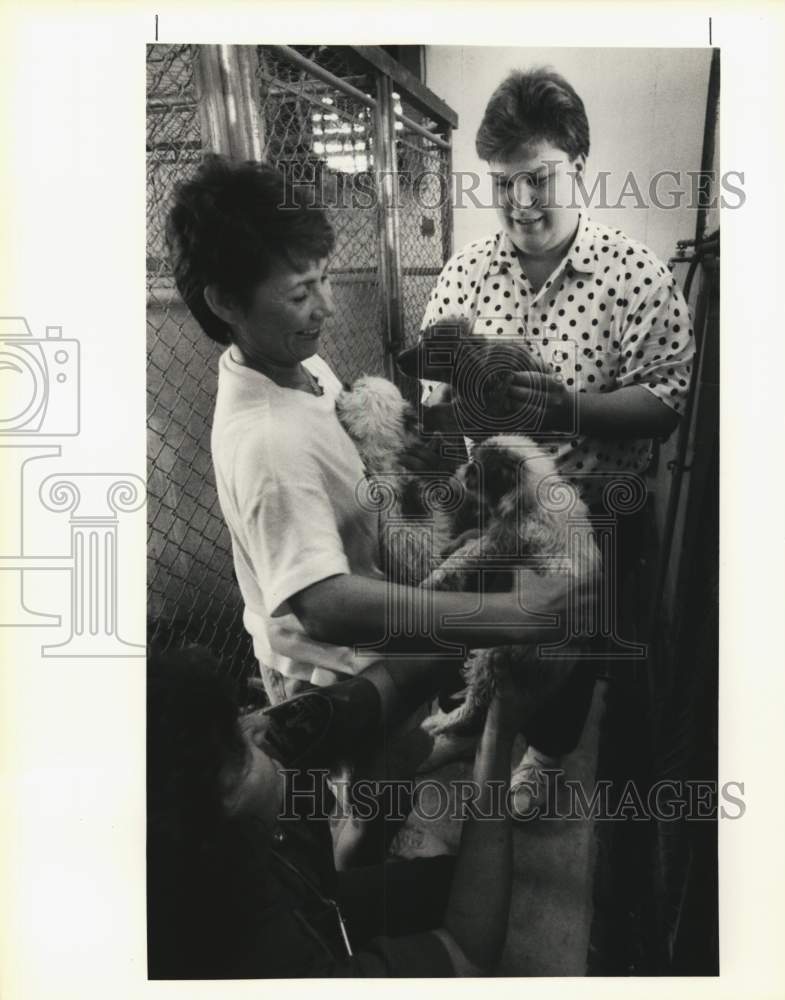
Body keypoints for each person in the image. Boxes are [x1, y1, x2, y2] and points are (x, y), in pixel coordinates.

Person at [398, 67, 696, 814]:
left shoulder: (636, 275)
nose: (520, 202)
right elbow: (433, 400)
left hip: (595, 507)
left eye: (538, 178)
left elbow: (668, 399)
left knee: (573, 647)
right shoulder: (464, 274)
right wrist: (457, 399)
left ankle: (547, 754)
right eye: (502, 183)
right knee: (491, 628)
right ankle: (481, 722)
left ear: (579, 167)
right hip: (494, 497)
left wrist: (574, 411)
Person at [166, 154, 572, 702]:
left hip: (373, 648)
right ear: (226, 303)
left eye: (325, 278)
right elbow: (325, 605)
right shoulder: (266, 440)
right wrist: (501, 616)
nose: (326, 306)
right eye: (299, 294)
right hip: (331, 680)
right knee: (372, 789)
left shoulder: (299, 367)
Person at [147, 645, 522, 978]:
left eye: (238, 718)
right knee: (478, 909)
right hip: (299, 941)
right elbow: (468, 952)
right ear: (216, 835)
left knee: (451, 883)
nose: (260, 726)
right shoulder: (268, 963)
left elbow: (384, 682)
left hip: (317, 901)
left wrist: (478, 628)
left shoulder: (200, 775)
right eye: (238, 750)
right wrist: (499, 729)